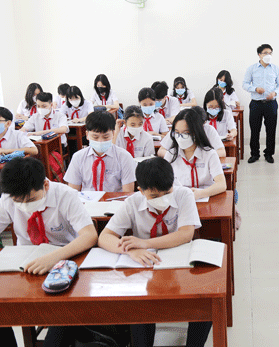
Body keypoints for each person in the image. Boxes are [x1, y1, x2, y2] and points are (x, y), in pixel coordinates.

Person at [0, 157, 97, 347]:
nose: (24, 205)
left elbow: (89, 236)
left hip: (65, 261)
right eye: (18, 201)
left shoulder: (65, 195)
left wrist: (53, 258)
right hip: (25, 265)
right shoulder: (9, 199)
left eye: (30, 199)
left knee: (59, 324)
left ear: (45, 185)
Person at [96, 158, 212, 347]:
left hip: (180, 263)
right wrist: (130, 251)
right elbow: (105, 237)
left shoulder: (183, 195)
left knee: (204, 302)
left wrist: (144, 243)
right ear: (140, 190)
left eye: (167, 193)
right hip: (146, 268)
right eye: (154, 196)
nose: (163, 198)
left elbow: (186, 233)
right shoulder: (133, 202)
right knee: (140, 305)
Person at [64, 111, 136, 192]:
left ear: (113, 133)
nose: (100, 141)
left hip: (115, 202)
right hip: (88, 202)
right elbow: (73, 191)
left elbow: (127, 193)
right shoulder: (78, 157)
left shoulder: (124, 157)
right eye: (95, 137)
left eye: (105, 137)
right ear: (87, 135)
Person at [165, 109, 226, 200]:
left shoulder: (209, 154)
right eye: (177, 133)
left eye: (186, 133)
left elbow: (221, 184)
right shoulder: (171, 155)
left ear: (196, 132)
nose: (180, 138)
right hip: (179, 200)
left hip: (205, 199)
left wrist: (200, 194)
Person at [243, 43, 279, 164]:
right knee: (255, 130)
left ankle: (269, 154)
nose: (268, 55)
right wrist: (255, 89)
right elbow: (245, 84)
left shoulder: (276, 68)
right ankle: (254, 154)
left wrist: (275, 93)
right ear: (259, 54)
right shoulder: (252, 68)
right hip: (256, 103)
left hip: (271, 103)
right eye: (265, 53)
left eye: (270, 53)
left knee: (271, 130)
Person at [157, 106, 226, 158]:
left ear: (204, 123)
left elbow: (222, 152)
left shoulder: (209, 130)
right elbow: (161, 151)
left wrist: (201, 156)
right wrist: (177, 157)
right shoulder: (179, 128)